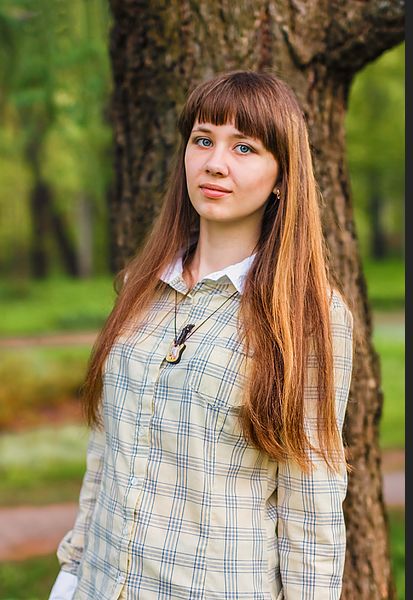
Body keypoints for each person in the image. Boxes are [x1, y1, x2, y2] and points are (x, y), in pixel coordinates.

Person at [49, 70, 354, 600]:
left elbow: (313, 506)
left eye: (245, 148)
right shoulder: (139, 286)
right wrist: (71, 575)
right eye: (203, 140)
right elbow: (107, 451)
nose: (216, 162)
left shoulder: (309, 316)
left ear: (282, 176)